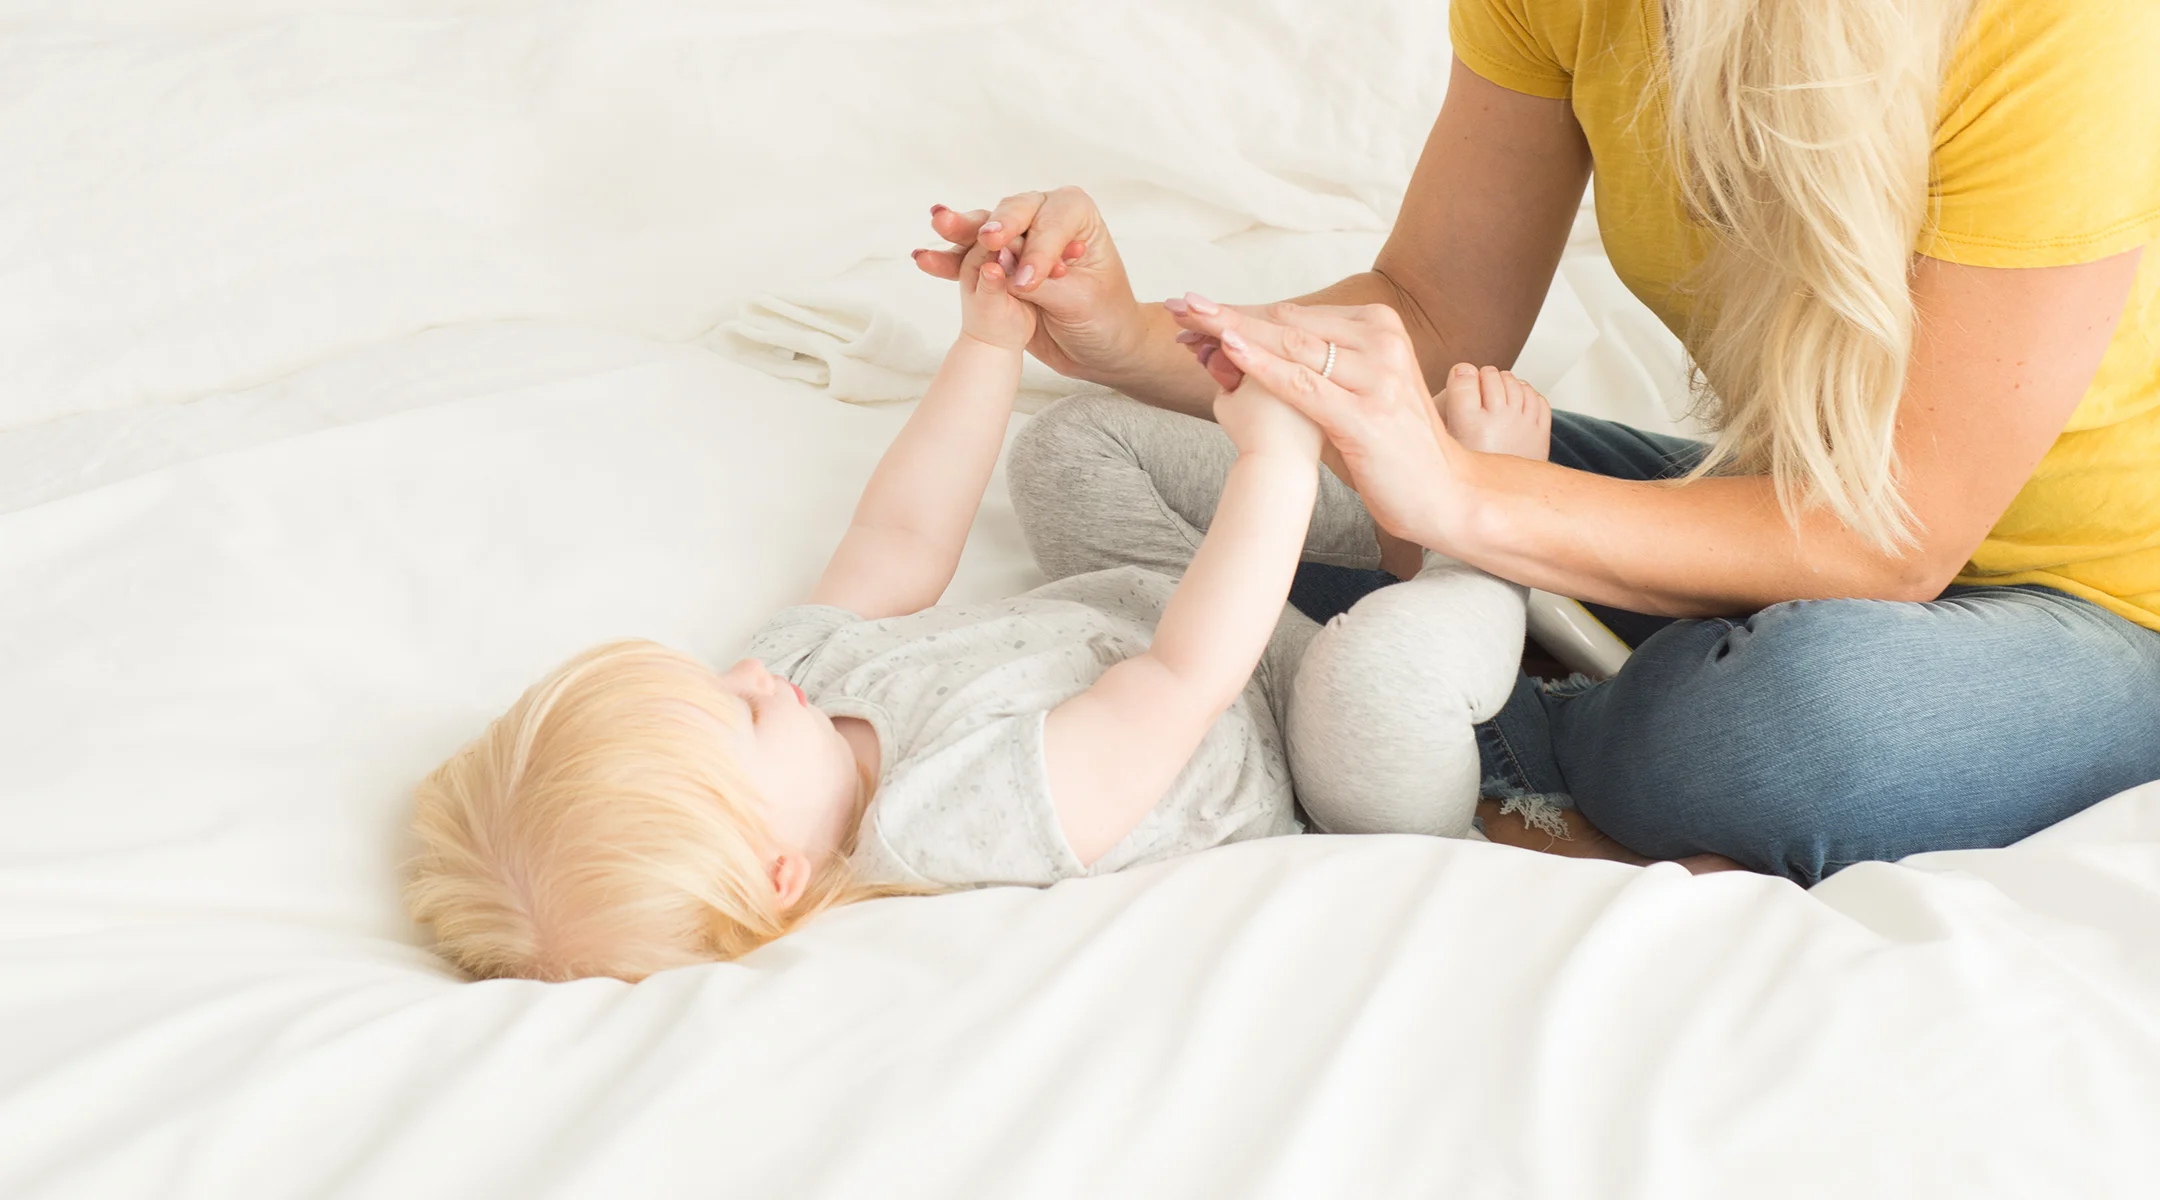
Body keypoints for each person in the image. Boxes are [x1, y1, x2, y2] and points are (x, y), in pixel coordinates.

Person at [914, 0, 2160, 883]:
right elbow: (1439, 308)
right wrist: (1128, 334)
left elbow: (1892, 535)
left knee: (1794, 723)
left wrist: (1459, 497)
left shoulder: (2056, 22)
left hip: (2099, 601)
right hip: (1778, 504)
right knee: (1098, 452)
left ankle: (1434, 728)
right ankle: (1411, 692)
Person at [404, 234, 1550, 983]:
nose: (752, 679)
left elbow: (898, 540)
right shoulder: (949, 823)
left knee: (1070, 449)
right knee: (1378, 677)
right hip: (1303, 740)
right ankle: (1487, 537)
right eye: (738, 716)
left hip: (1167, 609)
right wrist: (1276, 462)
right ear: (781, 877)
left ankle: (1394, 510)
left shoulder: (798, 682)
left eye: (717, 687)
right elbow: (1178, 685)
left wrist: (987, 344)